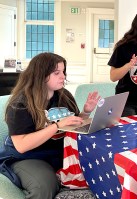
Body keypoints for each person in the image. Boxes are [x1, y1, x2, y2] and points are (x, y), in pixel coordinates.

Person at [0, 52, 100, 199]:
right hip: (27, 157)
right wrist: (57, 125)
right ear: (41, 75)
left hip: (59, 152)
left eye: (63, 72)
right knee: (44, 186)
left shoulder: (64, 95)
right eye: (56, 73)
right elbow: (22, 145)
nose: (63, 76)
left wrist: (85, 112)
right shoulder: (20, 104)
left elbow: (71, 125)